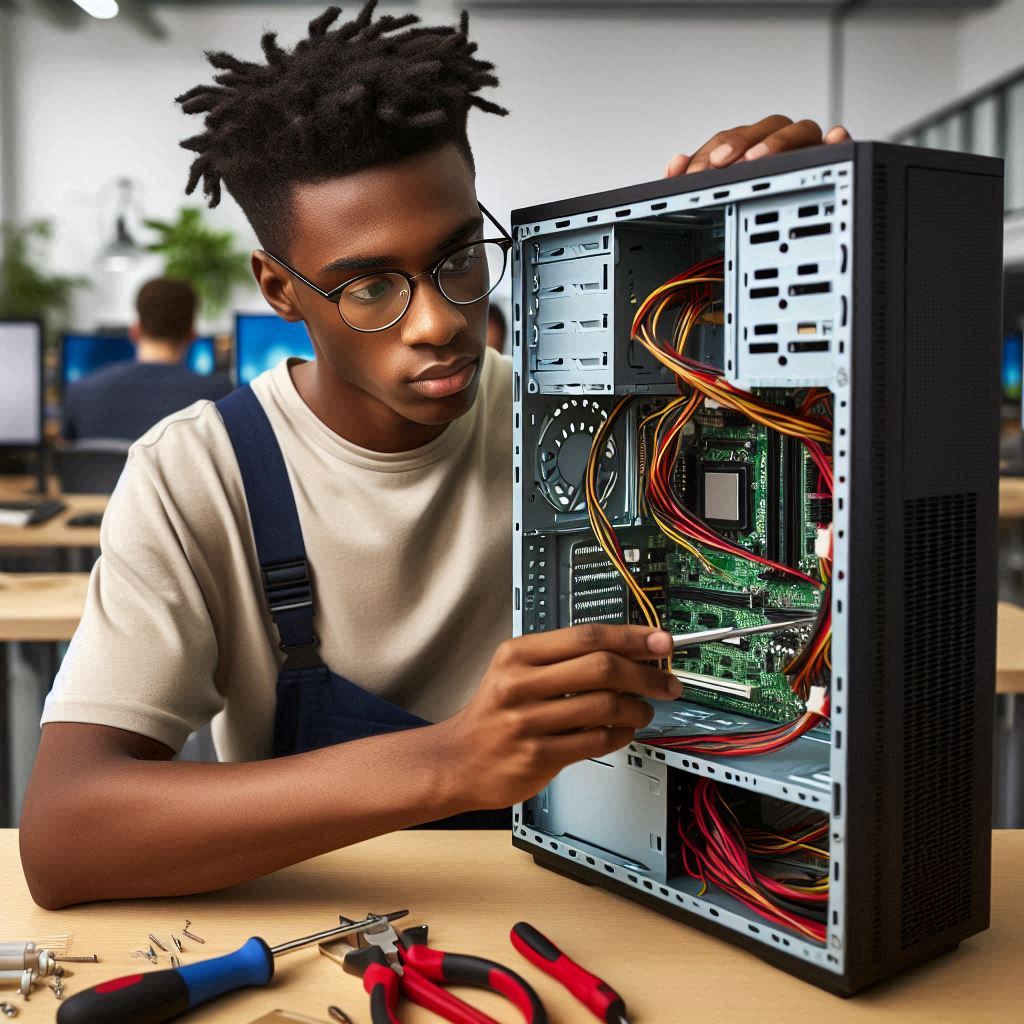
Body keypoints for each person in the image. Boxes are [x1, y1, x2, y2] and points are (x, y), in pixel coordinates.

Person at [21, 1, 850, 908]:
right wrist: (450, 762)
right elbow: (66, 838)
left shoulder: (606, 424)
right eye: (370, 284)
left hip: (593, 906)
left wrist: (787, 226)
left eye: (459, 258)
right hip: (328, 929)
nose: (440, 320)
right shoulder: (198, 477)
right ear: (278, 289)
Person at [61, 277, 233, 442]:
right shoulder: (219, 397)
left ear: (135, 331)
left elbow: (68, 463)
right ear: (191, 335)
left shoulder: (80, 392)